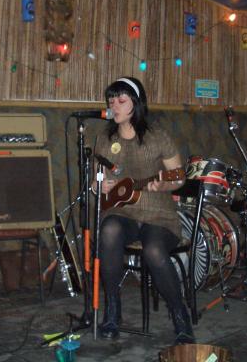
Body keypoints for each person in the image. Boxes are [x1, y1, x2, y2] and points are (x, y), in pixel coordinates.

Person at [92, 77, 195, 344]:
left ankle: (180, 315)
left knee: (153, 250)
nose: (114, 106)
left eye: (121, 100)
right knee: (109, 230)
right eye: (111, 101)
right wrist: (99, 186)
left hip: (158, 214)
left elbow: (179, 177)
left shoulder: (157, 136)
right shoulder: (105, 139)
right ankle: (112, 310)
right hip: (122, 212)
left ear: (136, 103)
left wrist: (165, 184)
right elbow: (97, 179)